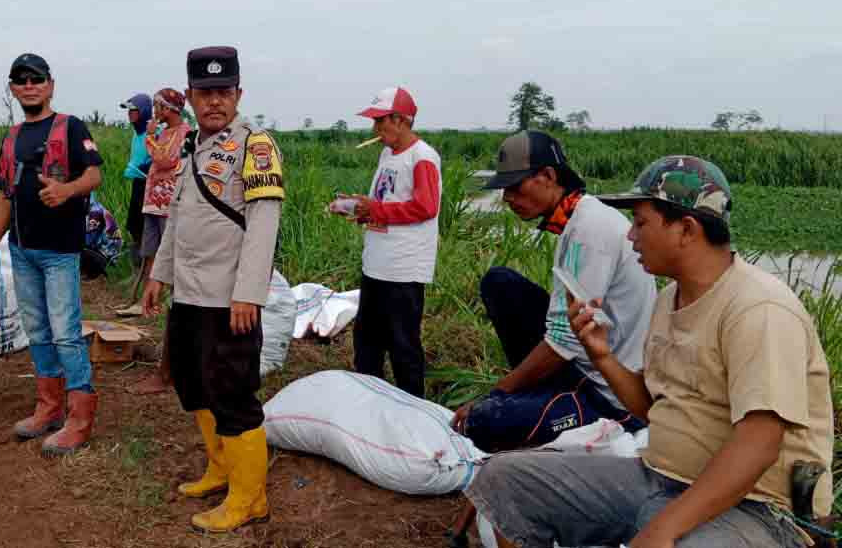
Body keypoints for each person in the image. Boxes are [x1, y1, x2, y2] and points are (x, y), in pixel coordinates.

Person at [467, 155, 834, 548]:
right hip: (660, 478)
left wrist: (663, 528)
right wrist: (603, 356)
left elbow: (758, 444)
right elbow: (650, 406)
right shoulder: (670, 299)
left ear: (686, 230)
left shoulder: (758, 310)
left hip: (757, 507)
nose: (630, 237)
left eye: (641, 223)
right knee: (502, 483)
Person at [141, 46, 284, 533]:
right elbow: (179, 217)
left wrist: (249, 292)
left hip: (230, 297)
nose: (215, 102)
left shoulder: (256, 145)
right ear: (190, 97)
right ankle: (221, 470)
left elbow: (264, 224)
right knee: (192, 382)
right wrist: (161, 274)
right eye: (205, 93)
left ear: (239, 94)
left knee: (233, 392)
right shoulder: (190, 147)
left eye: (224, 92)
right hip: (191, 293)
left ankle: (250, 498)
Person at [450, 131, 657, 453]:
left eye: (515, 187)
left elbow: (565, 342)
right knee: (500, 283)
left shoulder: (590, 229)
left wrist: (495, 394)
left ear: (548, 176)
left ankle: (545, 402)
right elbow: (563, 327)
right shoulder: (577, 221)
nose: (507, 198)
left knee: (483, 422)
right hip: (582, 362)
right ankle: (538, 394)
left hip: (607, 393)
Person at [0, 53, 104, 456]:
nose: (29, 86)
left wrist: (66, 190)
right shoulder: (12, 136)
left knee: (66, 332)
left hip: (60, 251)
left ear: (50, 85)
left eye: (37, 79)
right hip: (22, 249)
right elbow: (4, 195)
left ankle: (80, 418)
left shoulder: (70, 127)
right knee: (36, 331)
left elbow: (94, 174)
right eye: (21, 80)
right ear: (13, 89)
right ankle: (49, 408)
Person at [344, 86, 440, 398]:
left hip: (403, 268)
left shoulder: (422, 157)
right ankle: (371, 403)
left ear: (400, 120)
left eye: (380, 121)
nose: (375, 129)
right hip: (377, 264)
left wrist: (376, 209)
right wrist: (362, 209)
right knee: (367, 341)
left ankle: (413, 408)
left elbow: (426, 207)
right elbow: (385, 201)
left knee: (402, 344)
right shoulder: (388, 155)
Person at [126, 87, 191, 395]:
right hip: (153, 202)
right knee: (151, 252)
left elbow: (164, 161)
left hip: (169, 207)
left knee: (168, 255)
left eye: (159, 106)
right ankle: (149, 297)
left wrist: (150, 137)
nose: (155, 111)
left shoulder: (182, 133)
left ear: (171, 108)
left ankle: (167, 297)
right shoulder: (165, 132)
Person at [119, 92, 153, 264]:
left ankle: (148, 267)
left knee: (147, 227)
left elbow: (162, 155)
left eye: (134, 110)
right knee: (133, 225)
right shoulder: (136, 133)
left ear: (144, 111)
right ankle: (137, 266)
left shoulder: (154, 131)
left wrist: (148, 165)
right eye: (128, 110)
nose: (130, 114)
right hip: (138, 183)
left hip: (151, 184)